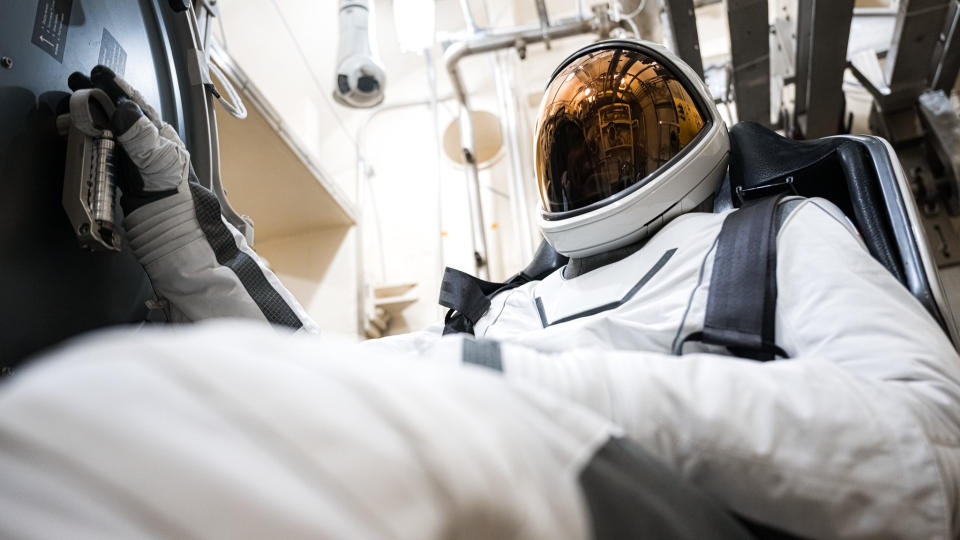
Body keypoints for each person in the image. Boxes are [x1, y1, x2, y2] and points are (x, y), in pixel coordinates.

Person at [1, 40, 958, 539]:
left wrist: (519, 386)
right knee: (172, 415)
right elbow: (312, 382)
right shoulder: (512, 308)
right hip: (476, 449)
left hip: (631, 486)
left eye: (631, 125)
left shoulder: (773, 235)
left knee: (91, 424)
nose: (607, 151)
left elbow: (929, 446)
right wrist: (172, 221)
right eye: (584, 136)